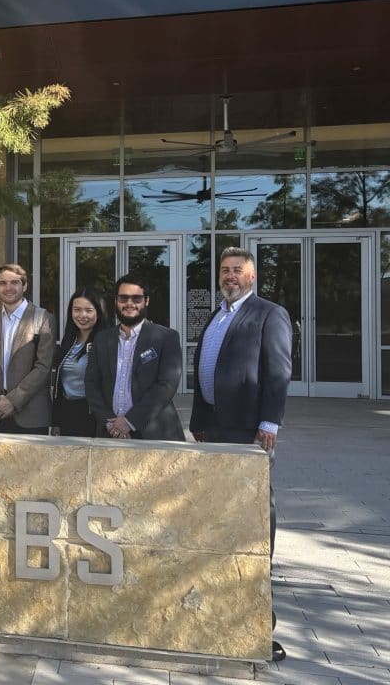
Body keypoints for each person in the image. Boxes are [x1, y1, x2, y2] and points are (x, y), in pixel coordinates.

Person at [190, 246, 292, 662]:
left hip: (248, 430)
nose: (230, 276)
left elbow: (278, 370)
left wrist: (270, 422)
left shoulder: (269, 314)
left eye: (237, 270)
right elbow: (205, 370)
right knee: (220, 512)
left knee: (254, 514)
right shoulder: (217, 315)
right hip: (215, 427)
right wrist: (198, 421)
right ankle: (223, 599)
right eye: (225, 270)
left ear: (252, 277)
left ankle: (260, 615)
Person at [85, 275, 183, 441]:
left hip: (154, 434)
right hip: (110, 433)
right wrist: (110, 423)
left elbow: (166, 385)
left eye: (136, 298)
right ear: (116, 301)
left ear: (146, 301)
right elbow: (91, 383)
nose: (129, 303)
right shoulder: (101, 339)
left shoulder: (166, 338)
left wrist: (129, 422)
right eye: (123, 298)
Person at [0, 263, 55, 434]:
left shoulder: (43, 318)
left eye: (15, 282)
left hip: (31, 415)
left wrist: (12, 401)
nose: (8, 288)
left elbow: (43, 367)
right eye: (3, 283)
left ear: (24, 286)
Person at [50, 288, 109, 437]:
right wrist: (56, 421)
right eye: (77, 310)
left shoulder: (107, 342)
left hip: (93, 415)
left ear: (99, 312)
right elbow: (59, 385)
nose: (82, 315)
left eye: (89, 310)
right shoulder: (68, 340)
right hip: (67, 412)